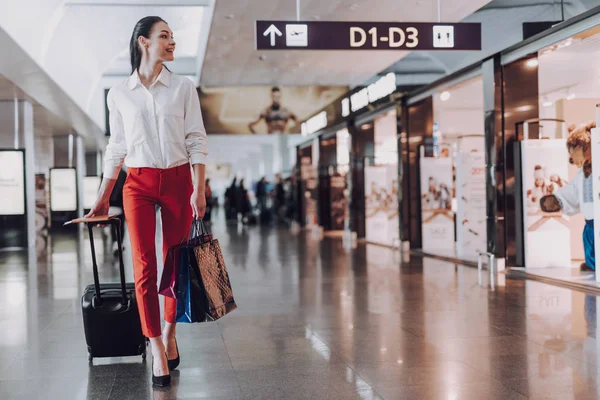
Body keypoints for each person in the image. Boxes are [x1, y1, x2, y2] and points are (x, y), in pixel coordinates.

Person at [86, 16, 208, 387]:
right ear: (143, 42)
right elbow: (117, 147)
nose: (172, 42)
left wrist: (198, 188)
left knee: (175, 262)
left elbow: (196, 139)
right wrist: (103, 197)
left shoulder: (183, 87)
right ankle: (155, 345)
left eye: (172, 37)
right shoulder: (119, 93)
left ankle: (170, 333)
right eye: (165, 36)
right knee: (143, 265)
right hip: (137, 183)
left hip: (176, 179)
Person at [540, 122, 596, 272]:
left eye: (576, 149)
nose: (572, 156)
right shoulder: (582, 175)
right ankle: (593, 265)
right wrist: (558, 200)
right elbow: (573, 191)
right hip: (590, 223)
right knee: (590, 243)